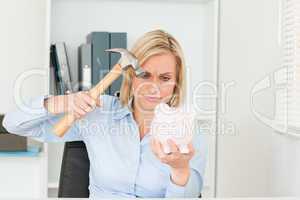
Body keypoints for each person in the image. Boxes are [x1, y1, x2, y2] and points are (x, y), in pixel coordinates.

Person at [3, 29, 206, 198]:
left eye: (165, 78)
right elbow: (13, 124)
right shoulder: (98, 112)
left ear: (176, 82)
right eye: (144, 75)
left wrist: (180, 170)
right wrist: (64, 101)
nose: (153, 87)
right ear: (131, 75)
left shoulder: (186, 130)